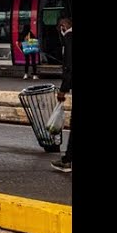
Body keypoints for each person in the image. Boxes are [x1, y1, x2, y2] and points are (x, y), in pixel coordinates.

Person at [51, 17, 73, 173]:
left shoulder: (69, 38)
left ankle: (67, 161)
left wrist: (63, 89)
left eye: (60, 27)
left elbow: (69, 66)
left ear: (63, 26)